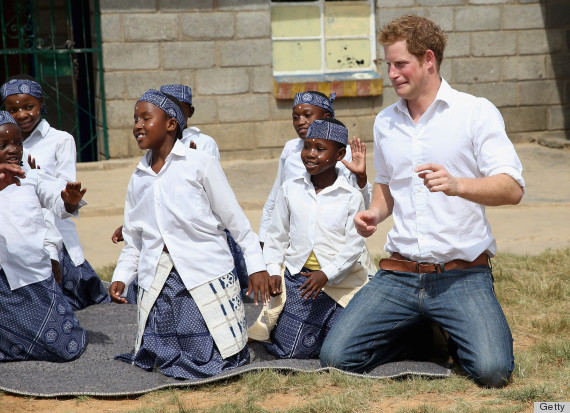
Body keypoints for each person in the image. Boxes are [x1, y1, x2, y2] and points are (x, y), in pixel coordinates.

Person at [319, 15, 524, 388]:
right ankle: (423, 331)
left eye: (401, 64)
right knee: (337, 358)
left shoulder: (474, 112)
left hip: (462, 275)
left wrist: (458, 184)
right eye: (388, 65)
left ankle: (444, 324)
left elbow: (512, 188)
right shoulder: (386, 122)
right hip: (398, 275)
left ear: (428, 60)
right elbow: (387, 185)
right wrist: (374, 213)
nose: (392, 74)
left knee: (493, 371)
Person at [109, 89, 273, 379]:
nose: (137, 125)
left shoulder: (200, 164)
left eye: (146, 118)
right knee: (160, 355)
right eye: (135, 119)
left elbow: (236, 222)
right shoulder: (138, 178)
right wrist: (122, 276)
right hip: (158, 279)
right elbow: (135, 240)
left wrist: (257, 266)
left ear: (171, 124)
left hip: (203, 273)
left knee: (210, 359)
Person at [249, 119, 369, 359]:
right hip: (299, 281)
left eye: (320, 149)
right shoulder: (291, 189)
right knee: (292, 348)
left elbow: (355, 245)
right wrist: (273, 270)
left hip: (342, 282)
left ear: (340, 154)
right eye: (307, 146)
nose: (310, 154)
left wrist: (326, 273)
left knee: (350, 341)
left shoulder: (351, 196)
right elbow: (277, 235)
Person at [0, 75, 110, 310]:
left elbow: (65, 191)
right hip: (19, 234)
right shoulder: (5, 141)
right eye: (13, 109)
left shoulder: (61, 140)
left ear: (41, 103)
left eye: (28, 107)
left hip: (54, 232)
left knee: (71, 301)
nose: (21, 114)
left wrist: (37, 178)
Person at [0, 111, 88, 362]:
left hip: (33, 273)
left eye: (17, 142)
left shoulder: (31, 177)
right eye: (3, 145)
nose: (13, 149)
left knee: (65, 345)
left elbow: (56, 202)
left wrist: (68, 201)